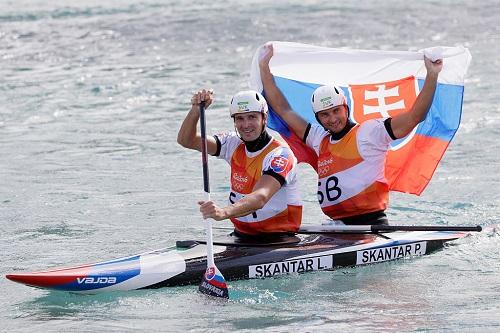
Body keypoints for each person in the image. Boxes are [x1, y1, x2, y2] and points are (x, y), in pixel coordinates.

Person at [258, 43, 443, 225]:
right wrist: (264, 67)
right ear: (318, 118)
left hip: (371, 225)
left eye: (336, 111)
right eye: (325, 114)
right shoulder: (318, 137)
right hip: (337, 226)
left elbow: (414, 117)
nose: (332, 119)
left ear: (345, 108)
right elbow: (283, 110)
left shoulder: (370, 132)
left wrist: (432, 75)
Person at [177, 88, 302, 236]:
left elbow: (260, 197)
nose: (246, 124)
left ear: (264, 118)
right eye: (240, 118)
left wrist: (223, 212)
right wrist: (196, 111)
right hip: (241, 235)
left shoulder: (280, 154)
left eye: (252, 117)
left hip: (278, 239)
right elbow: (186, 140)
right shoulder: (232, 143)